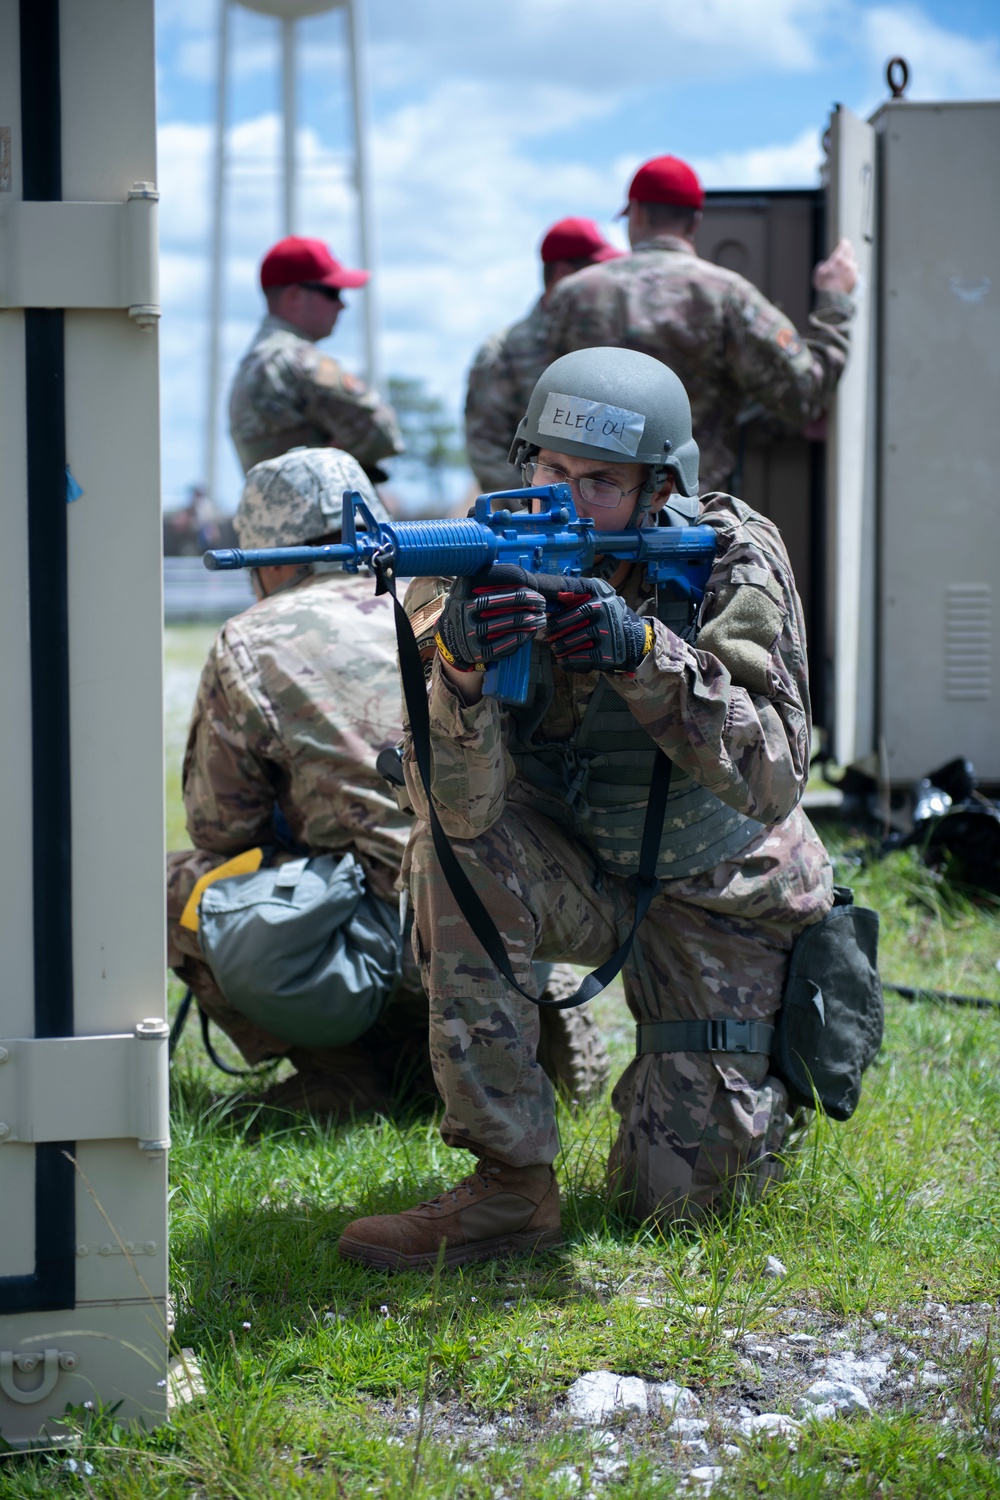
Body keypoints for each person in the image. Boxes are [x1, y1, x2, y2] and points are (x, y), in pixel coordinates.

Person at [338, 347, 835, 1269]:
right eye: (551, 472)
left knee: (681, 1206)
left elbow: (774, 776)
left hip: (716, 886)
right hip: (571, 866)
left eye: (600, 483)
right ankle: (509, 1185)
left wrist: (643, 652)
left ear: (659, 492)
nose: (564, 500)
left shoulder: (730, 556)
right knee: (452, 854)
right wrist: (463, 673)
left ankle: (764, 1064)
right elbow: (456, 808)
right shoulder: (462, 570)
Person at [167, 447, 609, 1118]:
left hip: (367, 946)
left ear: (271, 557)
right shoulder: (435, 598)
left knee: (176, 890)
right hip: (497, 910)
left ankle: (343, 1070)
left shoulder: (251, 639)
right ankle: (494, 1023)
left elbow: (222, 829)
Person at [544, 155, 858, 494]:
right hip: (687, 510)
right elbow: (804, 394)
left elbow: (538, 399)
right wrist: (835, 300)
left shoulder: (571, 294)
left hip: (588, 504)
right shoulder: (728, 295)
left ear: (636, 212)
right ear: (695, 222)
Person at [465, 218, 623, 494]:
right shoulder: (504, 353)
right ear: (563, 275)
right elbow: (487, 450)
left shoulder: (610, 343)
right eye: (600, 272)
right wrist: (534, 513)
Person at [229, 236, 403, 481]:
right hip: (324, 517)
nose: (342, 305)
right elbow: (384, 435)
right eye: (332, 292)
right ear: (294, 296)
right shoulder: (297, 361)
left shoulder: (251, 363)